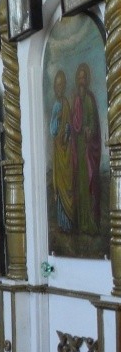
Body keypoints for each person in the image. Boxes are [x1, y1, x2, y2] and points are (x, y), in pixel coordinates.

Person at [69, 62, 102, 234]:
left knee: (90, 185)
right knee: (81, 186)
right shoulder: (76, 99)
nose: (82, 80)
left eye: (84, 77)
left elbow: (94, 123)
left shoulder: (90, 98)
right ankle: (81, 223)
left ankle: (91, 222)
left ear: (87, 79)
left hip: (88, 149)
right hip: (79, 149)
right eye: (79, 78)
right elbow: (74, 123)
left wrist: (91, 129)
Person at [49, 69, 74, 232]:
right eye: (56, 86)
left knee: (68, 184)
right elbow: (51, 129)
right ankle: (62, 223)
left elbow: (69, 125)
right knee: (59, 183)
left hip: (66, 150)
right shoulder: (56, 105)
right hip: (58, 151)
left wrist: (65, 132)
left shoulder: (65, 103)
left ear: (64, 86)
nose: (59, 88)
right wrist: (56, 122)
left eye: (61, 85)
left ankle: (69, 222)